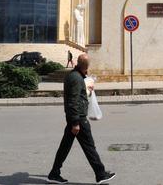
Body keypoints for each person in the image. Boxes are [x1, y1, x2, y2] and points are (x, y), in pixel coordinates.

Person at [48, 53, 115, 184]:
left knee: (65, 147)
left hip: (74, 117)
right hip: (78, 119)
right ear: (86, 67)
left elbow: (78, 95)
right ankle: (100, 174)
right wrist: (75, 123)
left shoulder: (75, 76)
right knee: (89, 147)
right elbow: (73, 101)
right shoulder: (76, 78)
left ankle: (54, 173)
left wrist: (88, 90)